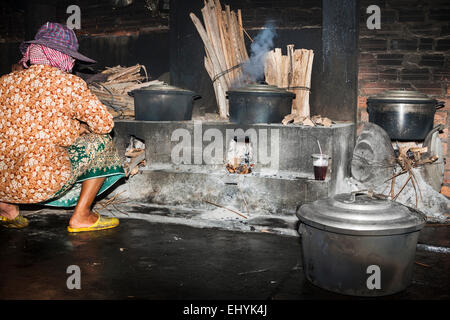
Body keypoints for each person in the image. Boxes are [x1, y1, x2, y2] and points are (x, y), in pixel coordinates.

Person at [0, 22, 125, 232]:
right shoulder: (68, 84)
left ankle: (7, 207)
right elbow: (104, 124)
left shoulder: (4, 82)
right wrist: (78, 127)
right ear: (61, 56)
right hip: (41, 185)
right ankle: (82, 215)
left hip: (3, 185)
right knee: (103, 141)